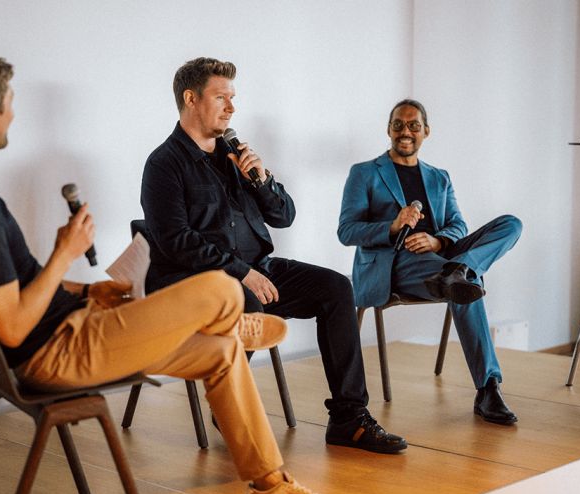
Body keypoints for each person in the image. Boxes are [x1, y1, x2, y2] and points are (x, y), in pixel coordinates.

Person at [0, 51, 340, 494]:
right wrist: (64, 254)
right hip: (57, 352)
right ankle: (232, 319)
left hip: (71, 326)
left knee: (221, 354)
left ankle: (271, 488)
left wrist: (88, 289)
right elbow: (13, 326)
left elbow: (10, 287)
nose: (14, 113)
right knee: (219, 286)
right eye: (10, 102)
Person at [141, 57, 406, 454]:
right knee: (244, 298)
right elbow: (175, 240)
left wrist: (261, 180)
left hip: (256, 271)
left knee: (335, 288)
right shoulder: (164, 165)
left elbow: (284, 216)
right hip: (196, 282)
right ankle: (228, 405)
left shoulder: (235, 156)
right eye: (221, 97)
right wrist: (240, 272)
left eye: (233, 98)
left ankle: (349, 418)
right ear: (191, 99)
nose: (232, 107)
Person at [337, 99, 522, 425]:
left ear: (426, 131)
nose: (405, 131)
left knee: (511, 224)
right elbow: (347, 230)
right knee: (466, 283)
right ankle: (488, 387)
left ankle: (460, 268)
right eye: (398, 124)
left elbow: (458, 225)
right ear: (388, 129)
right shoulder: (365, 173)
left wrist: (438, 241)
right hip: (395, 264)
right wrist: (393, 226)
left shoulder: (439, 177)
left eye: (413, 125)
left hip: (440, 256)